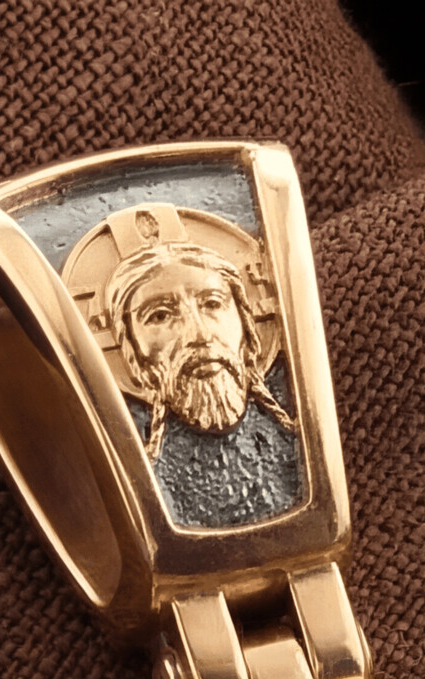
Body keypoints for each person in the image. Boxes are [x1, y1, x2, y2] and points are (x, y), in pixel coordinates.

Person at [102, 219, 301, 526]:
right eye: (160, 315)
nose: (200, 334)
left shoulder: (297, 434)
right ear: (130, 345)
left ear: (246, 323)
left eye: (212, 303)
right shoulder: (127, 462)